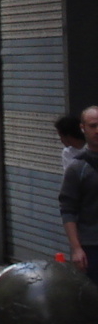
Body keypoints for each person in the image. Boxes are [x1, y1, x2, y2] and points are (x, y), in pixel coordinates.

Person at [58, 105, 98, 288]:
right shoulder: (77, 168)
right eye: (93, 125)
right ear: (83, 128)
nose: (97, 130)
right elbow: (68, 210)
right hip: (91, 245)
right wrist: (76, 248)